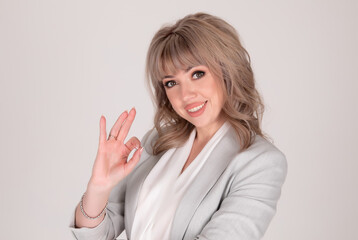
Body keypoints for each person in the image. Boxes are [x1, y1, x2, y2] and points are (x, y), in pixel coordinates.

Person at [69, 12, 287, 240]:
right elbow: (95, 235)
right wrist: (99, 187)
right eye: (172, 83)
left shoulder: (260, 162)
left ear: (227, 72)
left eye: (197, 74)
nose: (186, 95)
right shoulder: (156, 143)